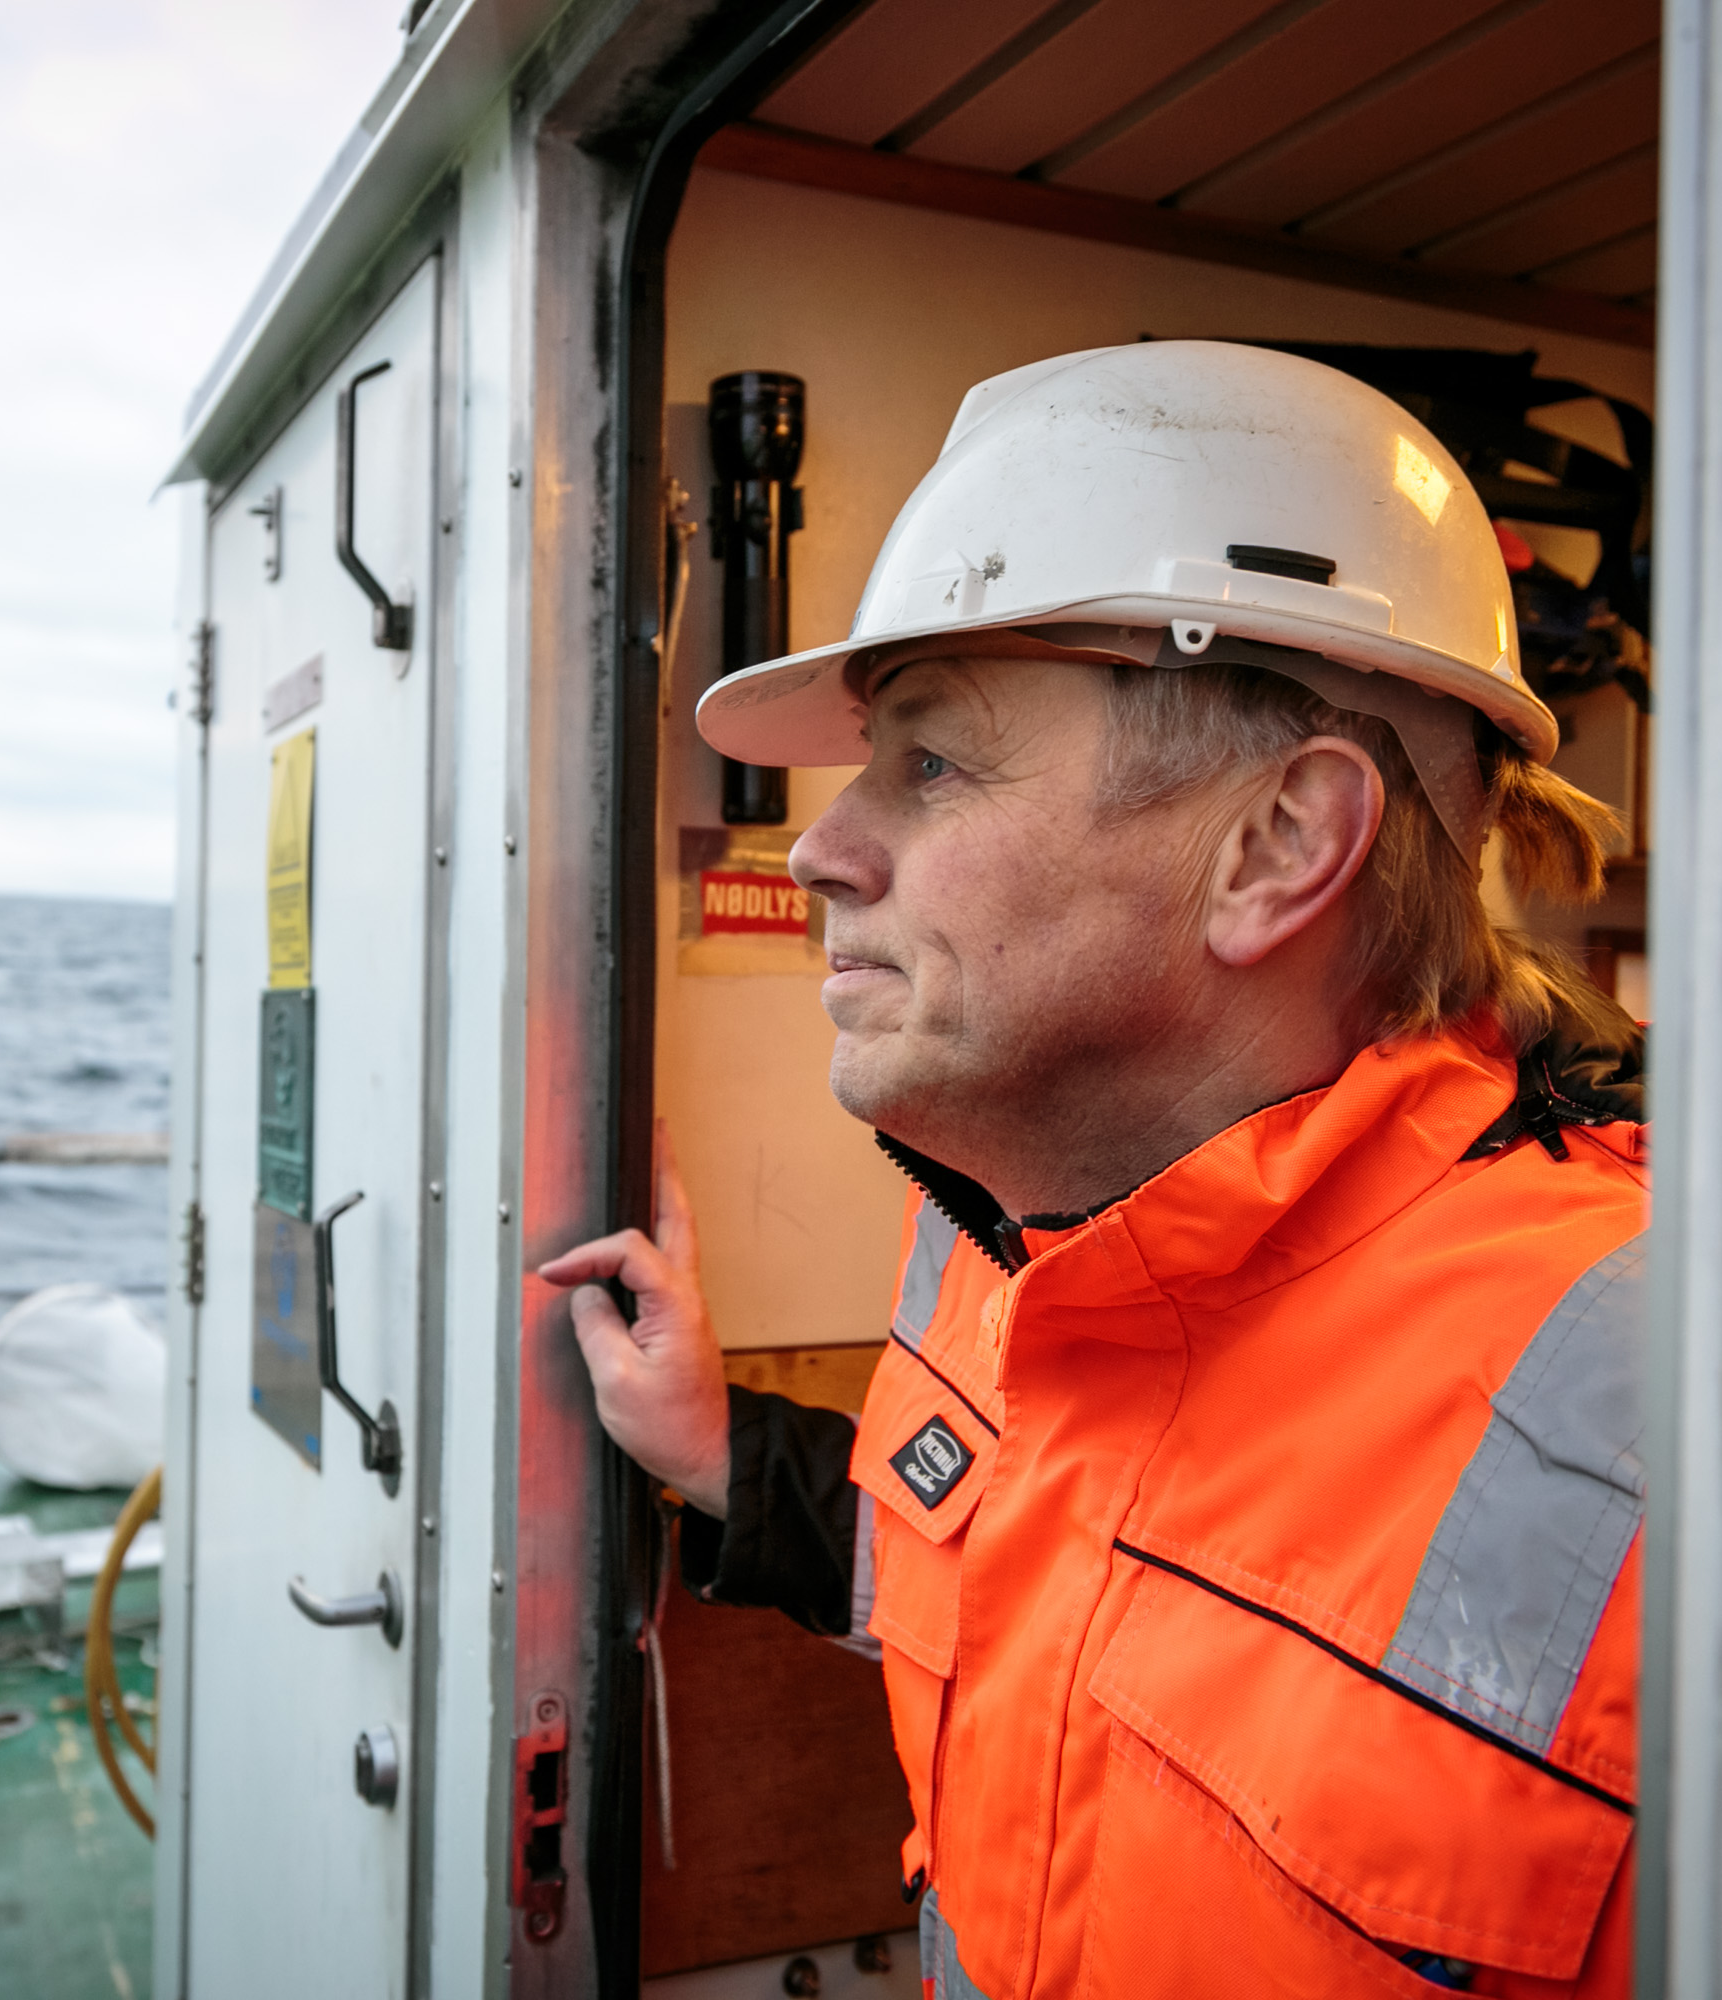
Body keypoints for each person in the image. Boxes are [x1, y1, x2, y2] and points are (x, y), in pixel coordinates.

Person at [542, 341, 1647, 1997]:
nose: (826, 848)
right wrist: (720, 1451)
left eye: (931, 762)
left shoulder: (1670, 1429)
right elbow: (1029, 1585)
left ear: (1277, 845)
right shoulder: (1009, 1235)